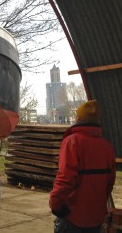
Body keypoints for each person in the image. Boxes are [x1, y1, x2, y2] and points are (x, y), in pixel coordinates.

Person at [50, 100, 116, 233]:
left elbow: (65, 178)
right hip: (95, 219)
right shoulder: (107, 146)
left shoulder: (73, 141)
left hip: (72, 217)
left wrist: (55, 204)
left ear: (78, 118)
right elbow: (109, 182)